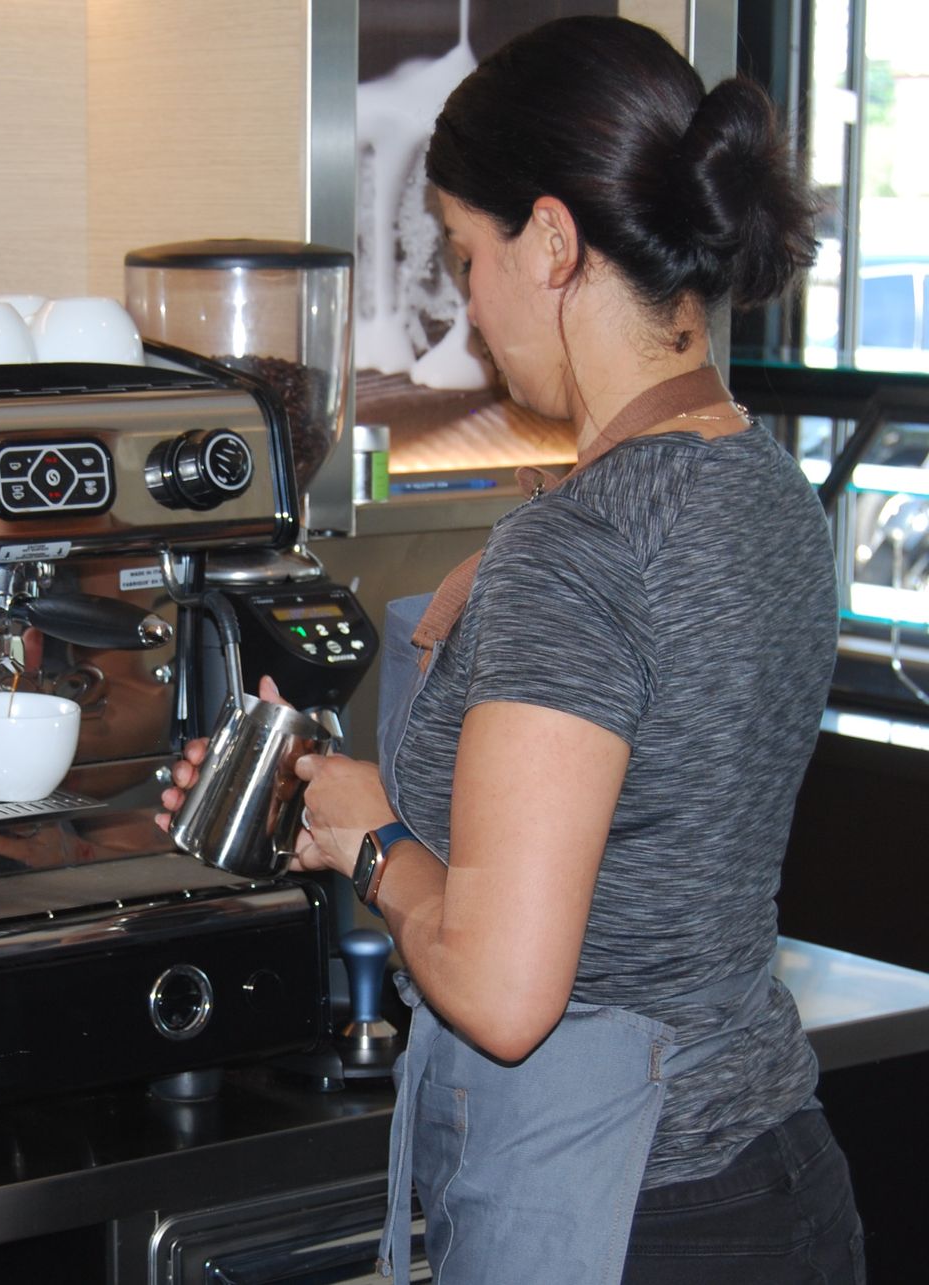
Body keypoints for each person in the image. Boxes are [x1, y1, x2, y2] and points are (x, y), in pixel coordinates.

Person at [159, 16, 862, 1284]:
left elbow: (503, 989)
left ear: (551, 239)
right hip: (776, 1175)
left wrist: (373, 840)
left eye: (463, 251)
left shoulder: (580, 548)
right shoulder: (766, 488)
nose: (468, 304)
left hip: (629, 1212)